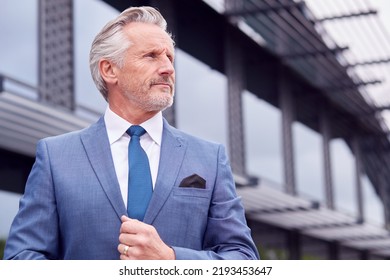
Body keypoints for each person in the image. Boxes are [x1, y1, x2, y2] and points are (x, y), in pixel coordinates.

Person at [4, 6, 259, 260]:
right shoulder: (56, 157)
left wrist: (172, 261)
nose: (168, 68)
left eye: (169, 57)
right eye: (151, 56)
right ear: (109, 70)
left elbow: (243, 259)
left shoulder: (210, 158)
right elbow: (21, 259)